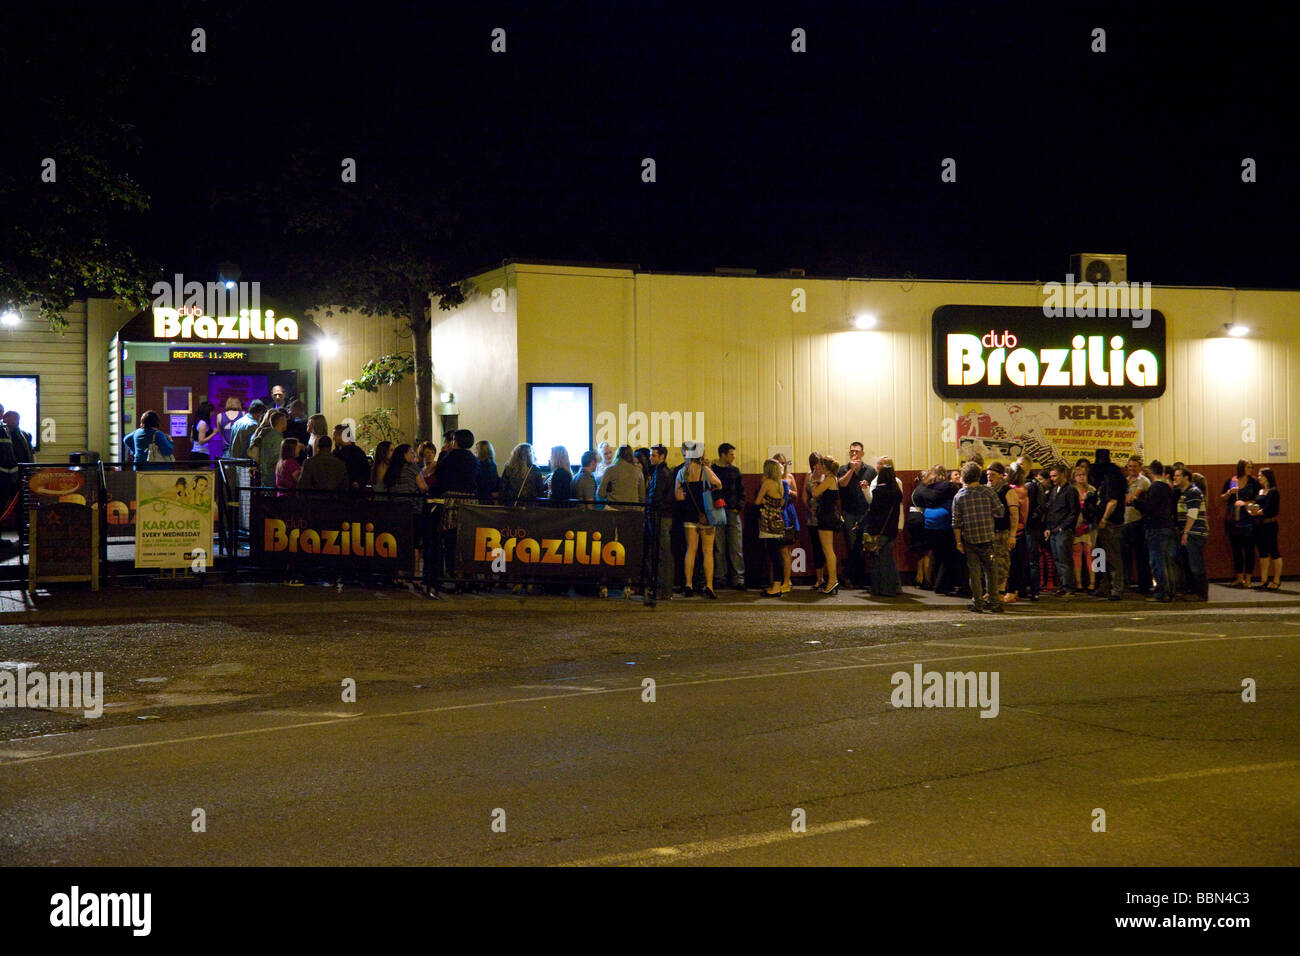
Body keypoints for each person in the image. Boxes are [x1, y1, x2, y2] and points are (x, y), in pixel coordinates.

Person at [952, 461, 1006, 613]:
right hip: (988, 538)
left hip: (969, 539)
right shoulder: (987, 492)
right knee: (991, 571)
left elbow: (956, 522)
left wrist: (958, 542)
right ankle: (994, 602)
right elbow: (1000, 512)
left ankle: (978, 603)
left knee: (974, 573)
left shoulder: (959, 496)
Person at [674, 441, 722, 598]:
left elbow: (678, 497)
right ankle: (709, 586)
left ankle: (688, 584)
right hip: (706, 514)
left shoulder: (682, 472)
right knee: (707, 551)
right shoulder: (705, 470)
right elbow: (719, 484)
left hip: (689, 513)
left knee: (691, 549)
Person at [1136, 460, 1177, 603]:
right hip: (1167, 526)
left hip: (1156, 527)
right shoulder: (1168, 487)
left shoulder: (1155, 487)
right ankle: (1170, 590)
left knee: (1157, 561)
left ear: (1150, 472)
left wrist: (1136, 501)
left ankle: (1161, 592)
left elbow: (1150, 507)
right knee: (1166, 561)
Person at [1090, 448, 1128, 600]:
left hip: (1110, 522)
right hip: (1107, 521)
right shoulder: (1113, 474)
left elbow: (1113, 501)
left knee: (1111, 555)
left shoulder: (1111, 477)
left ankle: (1115, 588)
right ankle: (1105, 585)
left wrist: (1104, 519)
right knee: (1102, 554)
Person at [863, 463, 903, 597]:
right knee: (888, 560)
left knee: (876, 561)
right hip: (891, 531)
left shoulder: (878, 492)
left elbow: (873, 511)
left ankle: (878, 588)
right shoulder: (897, 492)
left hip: (878, 531)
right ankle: (892, 588)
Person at [1220, 459, 1261, 588]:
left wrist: (1246, 503)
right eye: (1248, 467)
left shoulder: (1254, 482)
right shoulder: (1231, 481)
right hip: (1234, 518)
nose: (1251, 470)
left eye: (1252, 467)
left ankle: (1248, 578)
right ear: (1241, 468)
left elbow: (1259, 499)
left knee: (1249, 549)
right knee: (1236, 549)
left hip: (1248, 519)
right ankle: (1239, 577)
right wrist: (1229, 493)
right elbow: (1222, 498)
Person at [711, 442, 746, 590]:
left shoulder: (734, 471)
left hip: (731, 510)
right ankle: (722, 578)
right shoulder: (712, 470)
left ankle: (736, 578)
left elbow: (741, 491)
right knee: (720, 546)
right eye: (731, 454)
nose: (733, 456)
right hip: (719, 511)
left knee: (734, 546)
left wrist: (738, 506)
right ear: (723, 455)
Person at [1041, 464, 1080, 596]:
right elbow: (1050, 511)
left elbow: (1074, 512)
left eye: (1055, 475)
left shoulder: (1071, 491)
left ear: (1063, 474)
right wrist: (1048, 527)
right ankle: (1063, 585)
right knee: (1057, 559)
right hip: (1053, 530)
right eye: (1051, 476)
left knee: (1064, 559)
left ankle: (1068, 587)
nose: (1052, 478)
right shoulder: (1053, 490)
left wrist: (1063, 527)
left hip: (1064, 530)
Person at [808, 454, 844, 596]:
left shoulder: (828, 479)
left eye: (821, 465)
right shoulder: (833, 479)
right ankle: (832, 580)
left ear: (825, 467)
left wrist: (815, 482)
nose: (819, 468)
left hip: (826, 516)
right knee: (829, 550)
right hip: (830, 515)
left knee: (828, 550)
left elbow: (815, 493)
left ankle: (832, 580)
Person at [1172, 465, 1208, 601]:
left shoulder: (1193, 492)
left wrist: (1186, 532)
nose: (1175, 478)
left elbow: (1192, 514)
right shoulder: (1182, 492)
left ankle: (1201, 593)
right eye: (1174, 475)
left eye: (1178, 476)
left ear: (1186, 477)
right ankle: (1192, 590)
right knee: (1187, 564)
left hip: (1195, 532)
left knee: (1195, 564)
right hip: (1187, 531)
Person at [757, 459, 791, 597]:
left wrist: (765, 500)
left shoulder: (767, 483)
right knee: (778, 553)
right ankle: (778, 584)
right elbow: (782, 502)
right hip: (779, 520)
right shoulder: (781, 484)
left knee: (774, 555)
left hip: (768, 521)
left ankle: (776, 586)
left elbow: (757, 501)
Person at [646, 444, 676, 598]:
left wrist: (649, 504)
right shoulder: (663, 472)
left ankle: (664, 589)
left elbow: (656, 496)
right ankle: (664, 589)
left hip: (660, 516)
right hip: (663, 515)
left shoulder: (661, 473)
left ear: (662, 456)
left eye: (654, 455)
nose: (651, 458)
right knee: (662, 552)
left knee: (662, 553)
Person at [986, 461, 1019, 604]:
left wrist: (1012, 534)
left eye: (993, 475)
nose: (989, 478)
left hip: (1002, 532)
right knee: (989, 563)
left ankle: (1000, 591)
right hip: (989, 532)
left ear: (1001, 476)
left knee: (1002, 563)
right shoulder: (986, 490)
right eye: (987, 475)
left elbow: (1014, 514)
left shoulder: (1007, 491)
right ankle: (991, 591)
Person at [1248, 467, 1281, 590]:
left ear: (1267, 477)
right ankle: (1264, 579)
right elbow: (1259, 505)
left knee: (1273, 551)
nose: (1258, 477)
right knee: (1262, 551)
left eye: (1260, 475)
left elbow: (1271, 509)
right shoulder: (1261, 491)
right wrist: (1252, 509)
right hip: (1259, 524)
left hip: (1270, 524)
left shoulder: (1273, 491)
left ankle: (1276, 580)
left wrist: (1258, 512)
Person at [1123, 455, 1152, 595]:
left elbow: (1131, 498)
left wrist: (1125, 498)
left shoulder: (1144, 481)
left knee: (1141, 555)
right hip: (1125, 522)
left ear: (1140, 467)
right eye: (1130, 466)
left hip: (1138, 522)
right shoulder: (1126, 481)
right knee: (1125, 556)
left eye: (1134, 466)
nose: (1132, 469)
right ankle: (1127, 583)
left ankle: (1144, 585)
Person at [1070, 464, 1100, 593]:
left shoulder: (1091, 490)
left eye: (1083, 475)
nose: (1081, 477)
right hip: (1076, 524)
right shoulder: (1071, 490)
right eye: (1078, 475)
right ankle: (1078, 583)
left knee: (1090, 553)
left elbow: (1097, 507)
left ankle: (1092, 583)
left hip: (1090, 525)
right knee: (1077, 553)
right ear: (1074, 477)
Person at [1003, 462, 1030, 603]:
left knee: (1012, 562)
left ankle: (1011, 591)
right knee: (1017, 562)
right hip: (1021, 528)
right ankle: (1015, 590)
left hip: (1015, 530)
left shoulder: (1013, 490)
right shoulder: (1023, 489)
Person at [598, 444, 646, 510]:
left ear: (617, 455)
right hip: (633, 510)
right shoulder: (638, 471)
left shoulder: (610, 470)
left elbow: (601, 494)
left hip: (614, 509)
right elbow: (642, 496)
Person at [802, 452, 825, 590]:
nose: (816, 466)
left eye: (818, 463)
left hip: (823, 514)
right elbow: (805, 493)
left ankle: (829, 578)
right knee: (816, 546)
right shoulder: (809, 475)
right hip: (811, 515)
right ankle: (819, 578)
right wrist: (808, 507)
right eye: (814, 463)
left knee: (825, 547)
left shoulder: (826, 476)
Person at [251, 409, 287, 485]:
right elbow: (275, 458)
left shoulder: (265, 434)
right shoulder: (277, 438)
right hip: (272, 475)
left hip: (263, 473)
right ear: (281, 422)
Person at [331, 425, 370, 491]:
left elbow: (365, 471)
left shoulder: (356, 453)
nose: (333, 438)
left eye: (335, 435)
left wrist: (359, 483)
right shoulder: (358, 452)